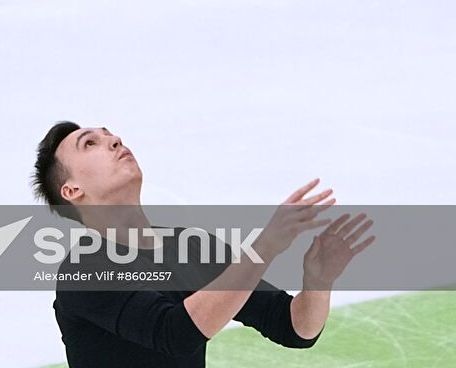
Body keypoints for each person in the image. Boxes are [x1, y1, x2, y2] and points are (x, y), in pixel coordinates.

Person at [32, 122, 375, 368]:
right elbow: (175, 334)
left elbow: (294, 328)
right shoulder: (85, 270)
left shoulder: (191, 247)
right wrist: (265, 247)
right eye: (89, 144)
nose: (115, 140)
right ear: (72, 190)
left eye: (110, 134)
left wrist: (318, 281)